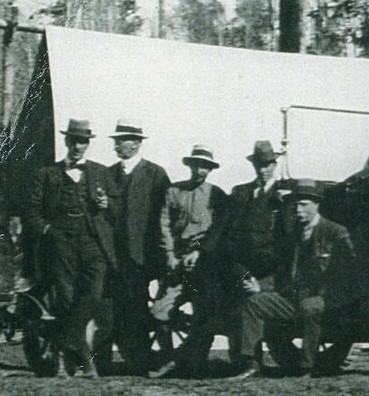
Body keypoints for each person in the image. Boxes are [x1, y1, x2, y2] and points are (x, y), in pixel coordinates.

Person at [26, 118, 117, 377]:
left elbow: (117, 207)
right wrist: (47, 230)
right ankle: (85, 361)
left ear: (88, 144)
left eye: (83, 142)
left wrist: (107, 204)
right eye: (75, 141)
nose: (78, 146)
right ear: (67, 142)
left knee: (93, 295)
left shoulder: (101, 172)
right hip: (60, 243)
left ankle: (61, 341)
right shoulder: (47, 173)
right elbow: (31, 211)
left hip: (92, 241)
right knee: (66, 301)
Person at [238, 179, 356, 378]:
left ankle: (307, 367)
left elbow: (348, 272)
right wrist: (260, 286)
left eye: (303, 205)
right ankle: (251, 364)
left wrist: (329, 297)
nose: (298, 210)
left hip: (327, 299)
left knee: (309, 307)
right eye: (295, 206)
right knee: (254, 303)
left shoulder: (335, 232)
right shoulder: (294, 235)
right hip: (294, 298)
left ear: (316, 204)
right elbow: (282, 273)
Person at [152, 144, 227, 377]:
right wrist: (170, 255)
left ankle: (195, 362)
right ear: (190, 166)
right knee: (159, 311)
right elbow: (164, 224)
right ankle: (167, 359)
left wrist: (200, 252)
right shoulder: (174, 191)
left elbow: (219, 230)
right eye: (196, 165)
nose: (200, 170)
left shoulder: (217, 195)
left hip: (204, 263)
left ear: (210, 169)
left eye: (205, 166)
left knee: (204, 314)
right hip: (177, 260)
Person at [218, 139, 291, 376]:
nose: (263, 169)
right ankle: (244, 361)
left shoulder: (286, 195)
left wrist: (264, 282)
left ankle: (252, 362)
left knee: (256, 305)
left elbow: (289, 243)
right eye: (259, 165)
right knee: (234, 305)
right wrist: (243, 273)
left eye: (268, 164)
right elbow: (228, 234)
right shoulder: (241, 193)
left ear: (275, 165)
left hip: (273, 268)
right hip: (242, 267)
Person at [108, 120, 170, 373]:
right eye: (116, 140)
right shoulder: (108, 174)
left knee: (138, 303)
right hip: (114, 254)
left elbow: (165, 215)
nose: (117, 145)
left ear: (136, 144)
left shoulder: (155, 174)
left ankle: (142, 357)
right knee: (117, 304)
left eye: (122, 140)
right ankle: (126, 354)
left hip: (143, 255)